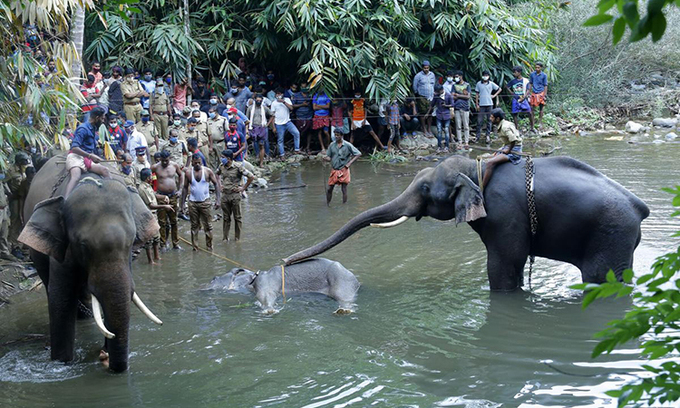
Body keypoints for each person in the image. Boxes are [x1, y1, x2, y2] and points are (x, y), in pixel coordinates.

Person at [63, 107, 111, 197]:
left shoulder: (93, 128)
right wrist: (90, 156)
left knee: (105, 171)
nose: (103, 121)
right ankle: (65, 200)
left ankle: (109, 194)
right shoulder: (83, 129)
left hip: (87, 158)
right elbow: (74, 148)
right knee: (76, 177)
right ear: (97, 118)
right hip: (76, 156)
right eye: (102, 118)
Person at [181, 154, 220, 251]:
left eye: (199, 162)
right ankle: (195, 247)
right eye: (195, 163)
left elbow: (216, 184)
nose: (197, 164)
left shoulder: (207, 171)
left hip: (205, 202)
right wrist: (181, 205)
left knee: (208, 226)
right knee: (194, 226)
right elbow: (185, 188)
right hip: (193, 203)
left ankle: (209, 247)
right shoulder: (189, 173)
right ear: (192, 162)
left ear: (201, 162)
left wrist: (218, 200)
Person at [137, 168, 174, 264]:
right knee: (149, 239)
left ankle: (157, 257)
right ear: (147, 177)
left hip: (154, 215)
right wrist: (164, 206)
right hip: (148, 216)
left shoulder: (148, 186)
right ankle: (150, 260)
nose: (152, 177)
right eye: (151, 176)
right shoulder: (142, 189)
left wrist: (164, 197)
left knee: (156, 237)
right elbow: (151, 205)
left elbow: (154, 195)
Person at [216, 149, 254, 241]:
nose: (221, 159)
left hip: (235, 195)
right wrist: (219, 184)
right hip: (225, 195)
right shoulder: (221, 166)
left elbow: (251, 176)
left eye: (223, 157)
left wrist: (243, 188)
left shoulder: (238, 167)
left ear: (228, 159)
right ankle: (225, 238)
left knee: (237, 218)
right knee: (226, 218)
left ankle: (237, 238)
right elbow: (216, 174)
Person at [482, 108, 523, 188]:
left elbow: (513, 139)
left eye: (492, 117)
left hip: (514, 149)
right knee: (491, 155)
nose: (490, 119)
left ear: (497, 119)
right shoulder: (505, 123)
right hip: (507, 146)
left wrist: (508, 150)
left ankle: (482, 187)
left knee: (490, 163)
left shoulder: (504, 127)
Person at [152, 150, 184, 250]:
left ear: (169, 159)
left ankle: (175, 243)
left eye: (167, 161)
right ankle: (163, 244)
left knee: (174, 221)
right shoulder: (155, 167)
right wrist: (153, 193)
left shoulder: (174, 165)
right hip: (161, 197)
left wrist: (180, 189)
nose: (165, 163)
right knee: (162, 222)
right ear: (160, 159)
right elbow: (149, 179)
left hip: (173, 196)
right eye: (163, 161)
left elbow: (181, 175)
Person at [325, 128, 361, 205]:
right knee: (329, 189)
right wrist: (325, 158)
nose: (336, 136)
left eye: (338, 135)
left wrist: (349, 163)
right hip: (334, 170)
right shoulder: (332, 145)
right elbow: (329, 157)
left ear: (342, 136)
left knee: (344, 189)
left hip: (344, 169)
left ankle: (344, 205)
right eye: (335, 135)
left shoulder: (347, 145)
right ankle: (328, 204)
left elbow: (358, 154)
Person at [270, 87, 301, 158]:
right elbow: (272, 116)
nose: (278, 95)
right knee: (280, 140)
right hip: (278, 124)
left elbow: (291, 108)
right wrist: (273, 127)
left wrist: (283, 102)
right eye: (277, 94)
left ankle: (297, 149)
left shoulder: (287, 100)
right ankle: (282, 155)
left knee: (296, 133)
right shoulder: (274, 103)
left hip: (288, 122)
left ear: (282, 94)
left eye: (279, 94)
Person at [246, 94, 274, 166]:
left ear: (262, 101)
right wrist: (247, 128)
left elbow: (272, 115)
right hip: (253, 127)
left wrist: (268, 124)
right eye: (257, 100)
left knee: (265, 141)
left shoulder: (264, 108)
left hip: (262, 127)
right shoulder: (250, 108)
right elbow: (247, 118)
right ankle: (258, 155)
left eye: (260, 101)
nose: (259, 102)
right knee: (255, 141)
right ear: (255, 100)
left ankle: (267, 155)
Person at [475, 71, 501, 144]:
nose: (485, 77)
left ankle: (488, 136)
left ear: (489, 76)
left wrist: (494, 95)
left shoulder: (491, 84)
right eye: (484, 75)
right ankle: (477, 136)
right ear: (482, 76)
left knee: (489, 121)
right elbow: (476, 94)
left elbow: (499, 89)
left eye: (486, 75)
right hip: (481, 104)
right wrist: (477, 104)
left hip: (489, 104)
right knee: (479, 121)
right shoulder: (478, 84)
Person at [412, 60, 436, 136]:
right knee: (422, 113)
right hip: (422, 96)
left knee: (430, 113)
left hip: (431, 97)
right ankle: (424, 129)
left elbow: (433, 84)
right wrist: (418, 95)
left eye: (427, 68)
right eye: (425, 68)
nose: (426, 69)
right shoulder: (418, 76)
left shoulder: (432, 75)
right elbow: (414, 87)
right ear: (422, 68)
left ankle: (429, 128)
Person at [428, 84, 454, 153]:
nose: (436, 93)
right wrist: (427, 113)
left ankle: (447, 146)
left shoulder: (448, 95)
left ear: (441, 90)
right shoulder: (436, 96)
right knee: (439, 131)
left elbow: (452, 104)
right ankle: (439, 146)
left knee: (446, 130)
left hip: (446, 115)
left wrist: (446, 105)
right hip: (439, 115)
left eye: (437, 92)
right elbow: (432, 105)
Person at [506, 66, 534, 131]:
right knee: (515, 114)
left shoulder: (525, 81)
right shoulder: (513, 81)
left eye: (515, 72)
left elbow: (528, 89)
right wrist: (512, 93)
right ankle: (516, 129)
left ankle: (532, 128)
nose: (514, 74)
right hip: (515, 98)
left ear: (519, 72)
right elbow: (507, 86)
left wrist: (524, 97)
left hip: (523, 98)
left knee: (529, 112)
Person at [451, 70, 471, 149]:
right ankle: (460, 142)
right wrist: (462, 95)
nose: (456, 78)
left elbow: (468, 97)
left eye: (457, 76)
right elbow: (452, 96)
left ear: (461, 76)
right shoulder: (454, 85)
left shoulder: (467, 85)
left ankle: (466, 142)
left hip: (465, 108)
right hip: (457, 107)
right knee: (458, 126)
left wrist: (458, 95)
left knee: (466, 126)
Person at [292, 84, 314, 151]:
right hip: (300, 117)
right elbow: (293, 106)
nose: (304, 88)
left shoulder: (310, 95)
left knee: (309, 132)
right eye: (303, 87)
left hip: (309, 116)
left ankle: (308, 147)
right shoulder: (296, 95)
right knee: (299, 133)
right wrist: (302, 104)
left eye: (305, 87)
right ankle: (300, 146)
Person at [0, 173, 16, 261]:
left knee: (4, 232)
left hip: (4, 209)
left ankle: (4, 252)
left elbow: (9, 193)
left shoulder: (2, 182)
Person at [528, 62, 548, 130]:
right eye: (536, 67)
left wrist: (544, 95)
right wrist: (528, 92)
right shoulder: (532, 74)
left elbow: (545, 85)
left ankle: (540, 122)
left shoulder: (544, 75)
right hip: (534, 92)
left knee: (541, 108)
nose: (537, 69)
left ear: (541, 68)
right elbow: (530, 84)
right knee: (531, 108)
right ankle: (532, 123)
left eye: (538, 67)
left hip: (541, 92)